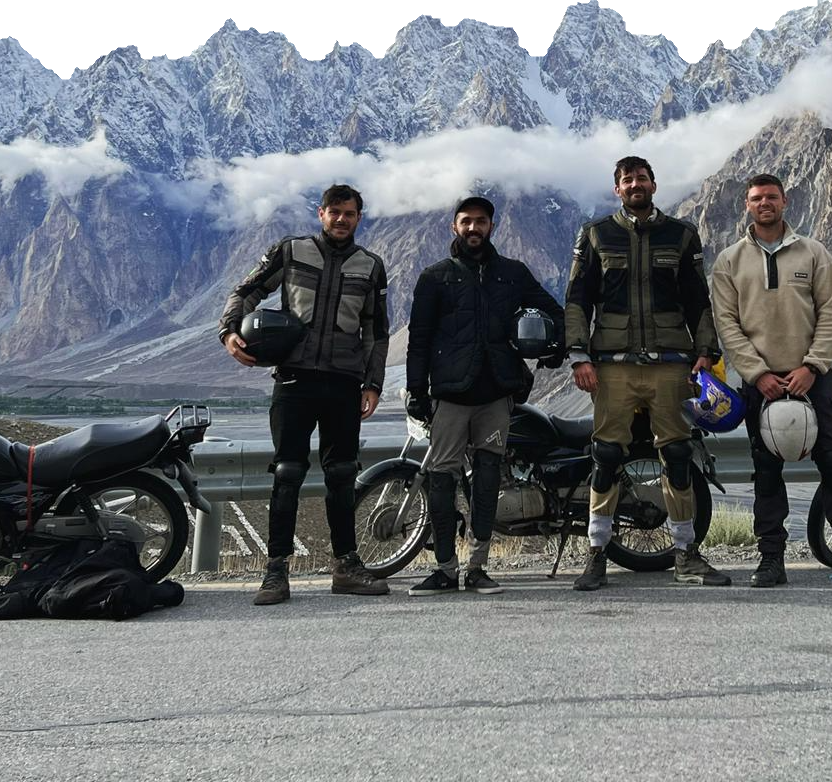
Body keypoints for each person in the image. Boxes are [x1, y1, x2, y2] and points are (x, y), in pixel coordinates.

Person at [708, 173, 832, 588]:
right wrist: (757, 375)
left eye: (771, 197)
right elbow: (728, 324)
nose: (764, 203)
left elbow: (831, 314)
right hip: (761, 385)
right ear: (747, 205)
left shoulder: (813, 253)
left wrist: (812, 366)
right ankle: (771, 560)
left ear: (785, 201)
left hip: (814, 380)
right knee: (766, 473)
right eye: (756, 198)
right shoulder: (729, 261)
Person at [219, 183, 392, 605]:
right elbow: (246, 291)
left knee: (342, 474)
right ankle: (276, 572)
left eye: (349, 213)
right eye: (334, 211)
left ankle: (346, 567)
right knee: (287, 473)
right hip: (294, 381)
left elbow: (377, 331)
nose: (341, 219)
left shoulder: (370, 266)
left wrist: (373, 384)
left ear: (358, 218)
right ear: (321, 213)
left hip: (344, 384)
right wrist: (229, 331)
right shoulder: (291, 251)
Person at [563, 156, 729, 590]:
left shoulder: (682, 235)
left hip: (671, 365)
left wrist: (705, 350)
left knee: (677, 456)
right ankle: (596, 554)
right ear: (616, 189)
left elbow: (698, 298)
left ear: (654, 184)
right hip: (612, 367)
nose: (635, 184)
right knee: (606, 457)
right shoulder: (596, 235)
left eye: (641, 177)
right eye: (627, 179)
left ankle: (686, 555)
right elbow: (577, 299)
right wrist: (579, 354)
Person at [403, 196, 565, 595]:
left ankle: (477, 568)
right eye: (465, 222)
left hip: (495, 395)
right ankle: (444, 569)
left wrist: (555, 347)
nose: (473, 228)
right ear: (453, 226)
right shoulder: (434, 277)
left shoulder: (512, 274)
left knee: (488, 478)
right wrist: (415, 391)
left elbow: (553, 312)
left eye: (480, 222)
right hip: (449, 396)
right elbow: (418, 341)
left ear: (492, 226)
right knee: (441, 480)